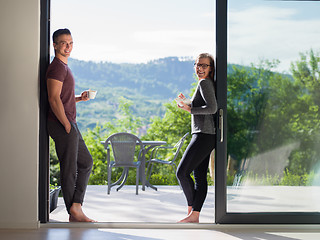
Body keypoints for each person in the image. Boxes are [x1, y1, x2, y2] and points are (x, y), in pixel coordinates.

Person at [46, 28, 95, 222]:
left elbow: (63, 98)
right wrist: (66, 124)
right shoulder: (57, 67)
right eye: (64, 43)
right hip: (62, 124)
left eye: (71, 43)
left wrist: (79, 99)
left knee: (86, 163)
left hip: (69, 123)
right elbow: (53, 98)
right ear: (55, 45)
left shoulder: (64, 66)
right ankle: (73, 211)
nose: (68, 46)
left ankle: (76, 206)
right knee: (69, 168)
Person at [176, 53, 217, 223]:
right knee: (199, 176)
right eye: (197, 65)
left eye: (204, 65)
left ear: (211, 68)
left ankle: (192, 210)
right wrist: (187, 103)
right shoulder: (206, 83)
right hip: (204, 134)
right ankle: (193, 215)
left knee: (182, 173)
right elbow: (203, 104)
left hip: (203, 135)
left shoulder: (204, 83)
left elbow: (212, 108)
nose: (199, 68)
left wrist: (189, 110)